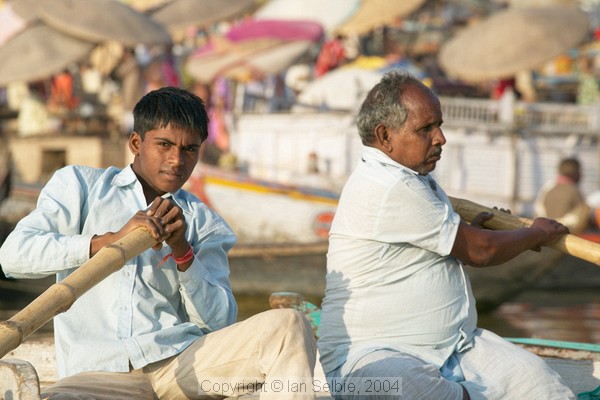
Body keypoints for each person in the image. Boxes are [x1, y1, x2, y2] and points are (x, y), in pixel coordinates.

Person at [0, 87, 316, 399]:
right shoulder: (81, 187)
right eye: (164, 144)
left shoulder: (204, 221)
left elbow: (219, 322)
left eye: (189, 149)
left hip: (182, 364)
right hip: (97, 374)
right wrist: (110, 241)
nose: (177, 159)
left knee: (287, 325)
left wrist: (183, 253)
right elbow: (13, 257)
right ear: (136, 143)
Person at [317, 71, 575, 399]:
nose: (440, 138)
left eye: (439, 125)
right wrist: (535, 233)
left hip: (454, 347)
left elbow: (444, 250)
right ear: (385, 137)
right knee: (414, 389)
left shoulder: (415, 179)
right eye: (426, 129)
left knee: (538, 382)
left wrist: (475, 232)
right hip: (371, 354)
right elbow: (480, 252)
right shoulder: (388, 184)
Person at [535, 157, 590, 234]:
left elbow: (537, 212)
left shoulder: (548, 188)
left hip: (543, 231)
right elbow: (582, 216)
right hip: (564, 233)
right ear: (576, 172)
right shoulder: (574, 190)